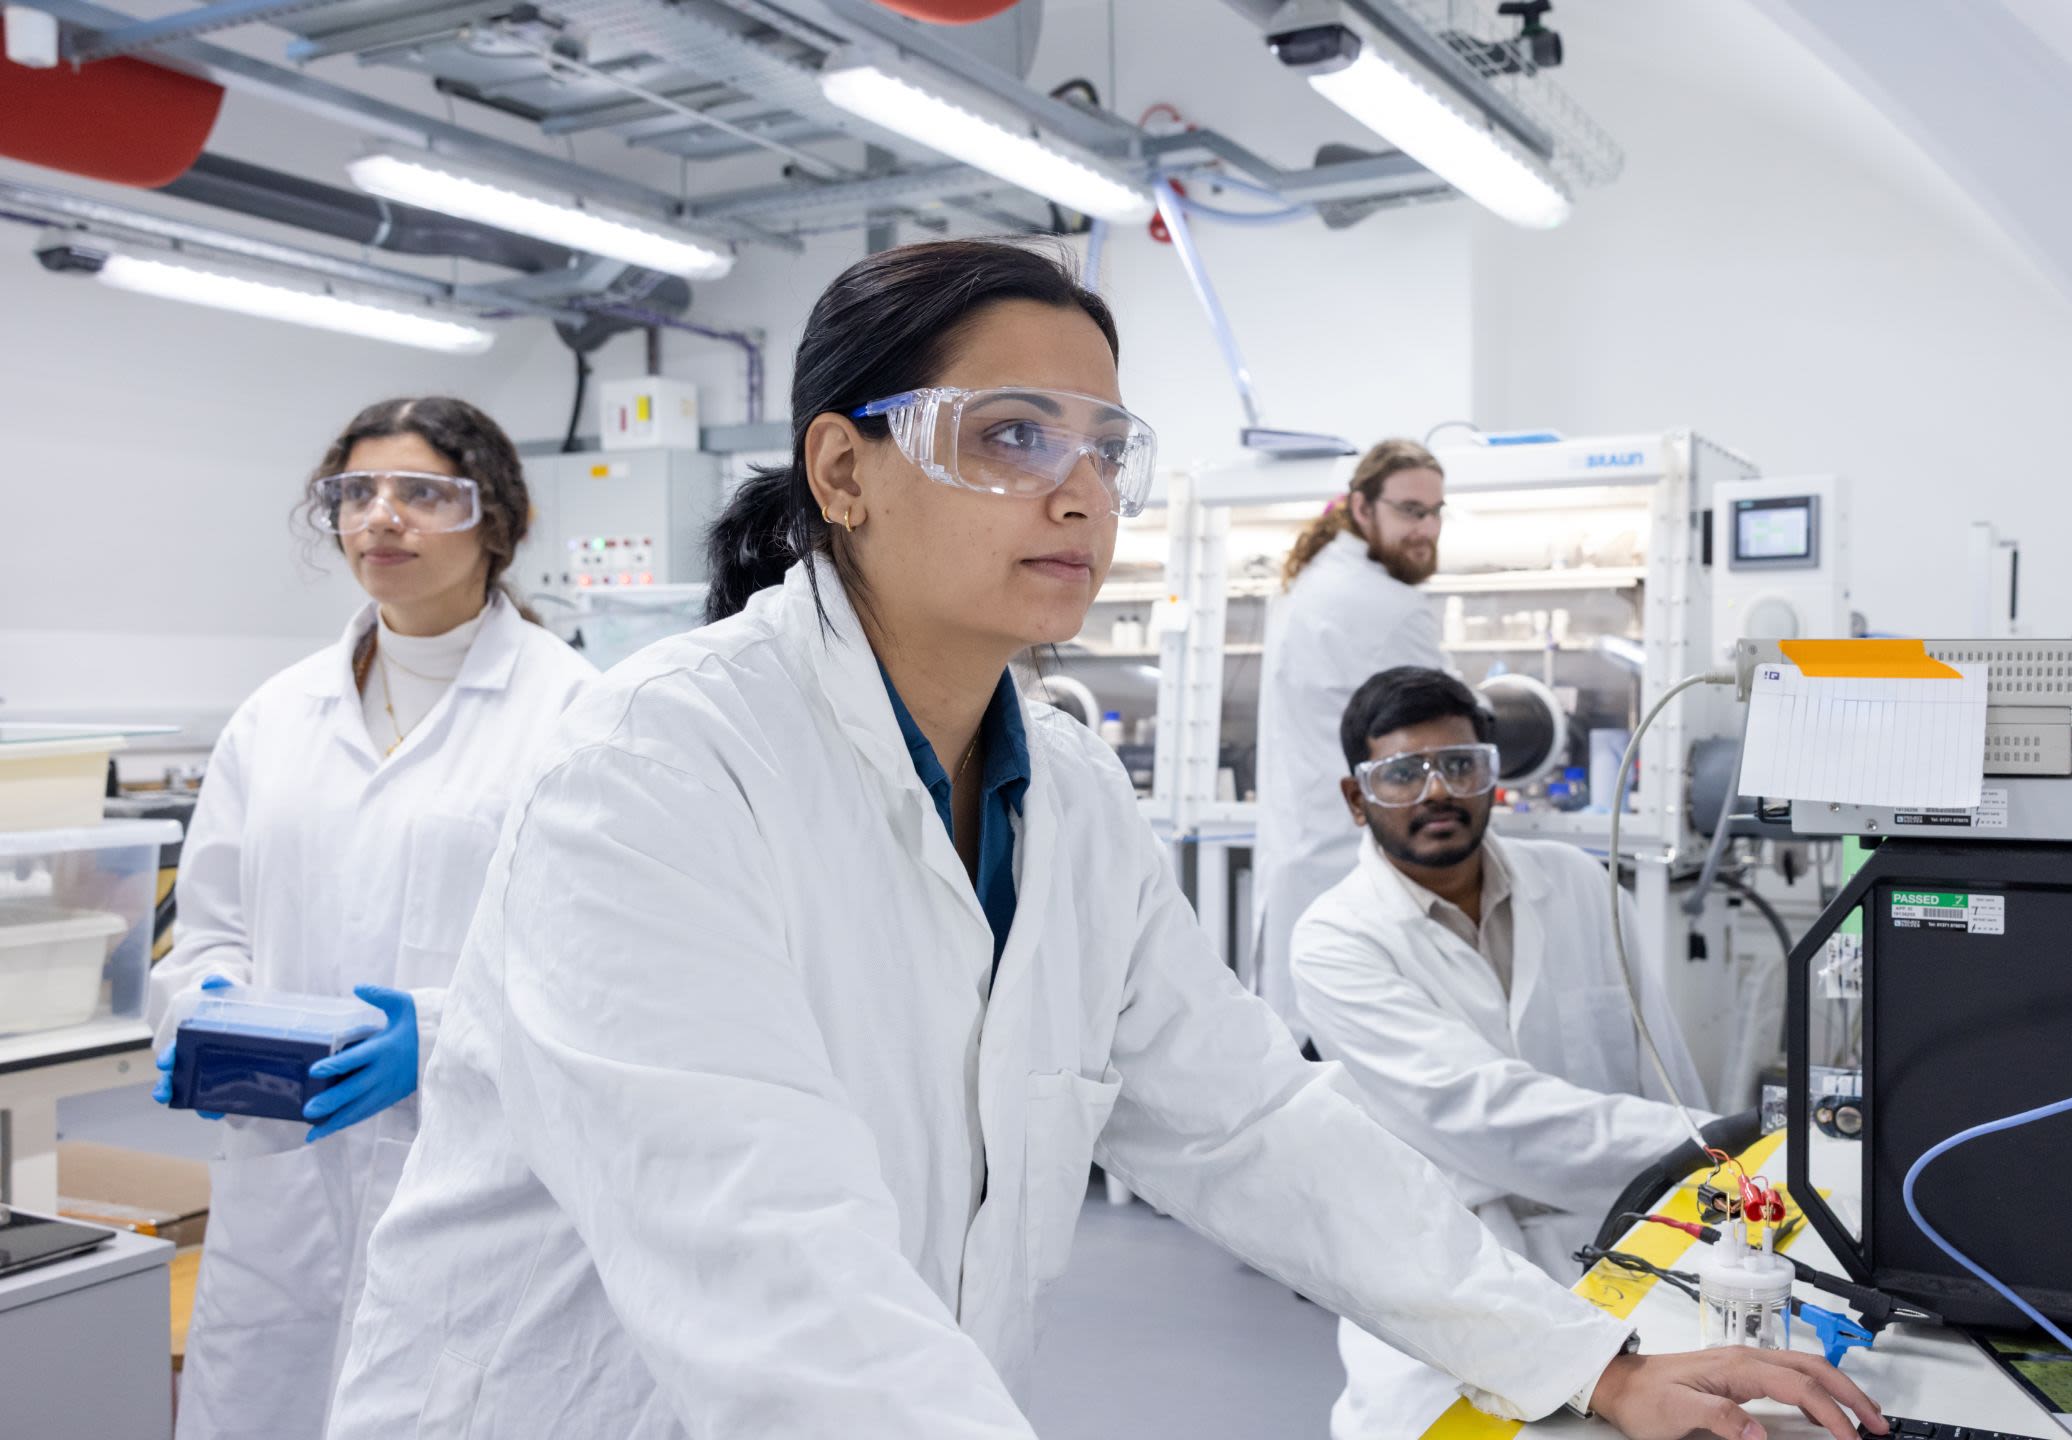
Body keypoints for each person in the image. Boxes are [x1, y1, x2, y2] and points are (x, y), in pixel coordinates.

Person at [326, 241, 1884, 1440]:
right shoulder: (660, 769)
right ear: (843, 471)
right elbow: (771, 1266)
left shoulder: (1059, 795)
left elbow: (1252, 1124)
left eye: (1103, 448)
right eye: (1010, 436)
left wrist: (1586, 1360)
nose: (1078, 493)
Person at [146, 396, 597, 1439]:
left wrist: (434, 1038)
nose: (381, 516)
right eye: (357, 493)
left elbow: (589, 962)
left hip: (477, 1170)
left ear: (499, 520)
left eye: (424, 493)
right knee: (271, 1396)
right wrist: (203, 1011)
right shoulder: (275, 716)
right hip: (285, 1168)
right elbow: (209, 923)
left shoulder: (574, 712)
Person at [1293, 666, 1726, 1440]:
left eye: (1460, 765)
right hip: (1451, 1277)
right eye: (1403, 773)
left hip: (1622, 1244)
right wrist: (1714, 1143)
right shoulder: (1335, 939)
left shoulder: (1582, 886)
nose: (1437, 792)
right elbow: (1482, 1112)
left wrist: (1717, 1166)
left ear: (1494, 775)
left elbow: (1664, 1067)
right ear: (1357, 798)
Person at [1250, 437, 1450, 1046]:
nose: (1427, 528)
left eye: (1436, 511)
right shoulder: (1389, 604)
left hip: (1302, 858)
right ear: (1362, 507)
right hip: (1350, 868)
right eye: (1410, 510)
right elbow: (1451, 730)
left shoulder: (1309, 581)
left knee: (1307, 1054)